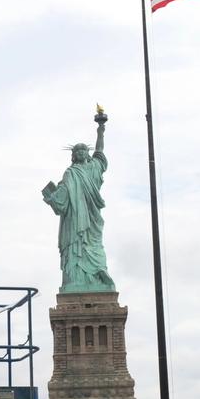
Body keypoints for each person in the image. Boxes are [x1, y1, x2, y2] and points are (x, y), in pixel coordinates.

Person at [41, 109, 116, 293]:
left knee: (94, 245)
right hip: (74, 218)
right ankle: (74, 279)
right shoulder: (70, 173)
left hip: (91, 216)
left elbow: (99, 151)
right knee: (77, 245)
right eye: (78, 150)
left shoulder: (93, 168)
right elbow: (62, 197)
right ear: (73, 155)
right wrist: (53, 197)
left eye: (84, 149)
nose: (82, 151)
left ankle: (99, 273)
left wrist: (100, 130)